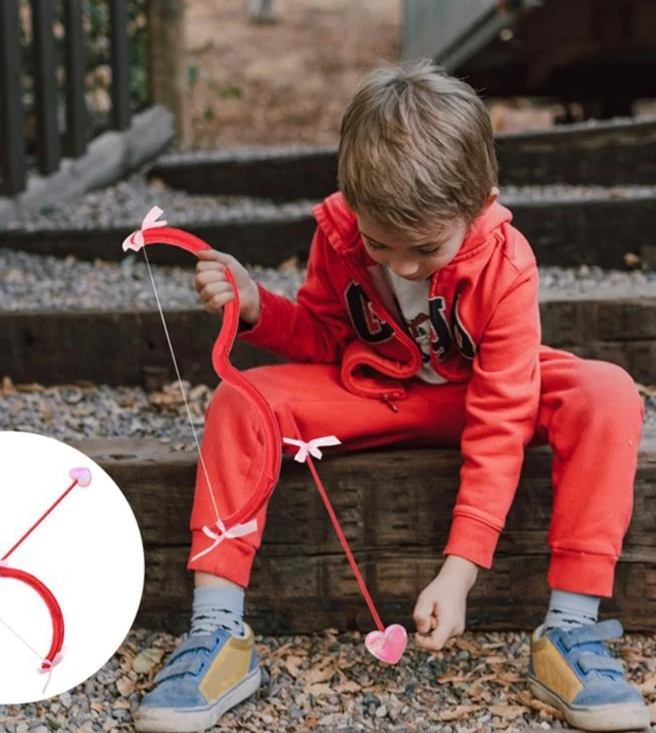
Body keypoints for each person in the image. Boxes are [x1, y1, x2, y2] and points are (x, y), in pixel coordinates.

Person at [133, 60, 648, 733]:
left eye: (425, 248)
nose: (401, 265)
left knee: (606, 392)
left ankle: (571, 632)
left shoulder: (507, 261)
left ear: (482, 199)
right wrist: (259, 307)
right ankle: (216, 632)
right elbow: (324, 336)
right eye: (381, 243)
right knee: (241, 401)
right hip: (381, 394)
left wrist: (460, 570)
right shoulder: (342, 232)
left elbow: (501, 418)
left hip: (486, 395)